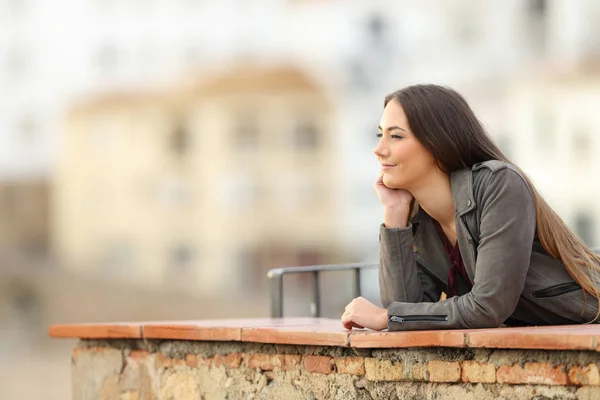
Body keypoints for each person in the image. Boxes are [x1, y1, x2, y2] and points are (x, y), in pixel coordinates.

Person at [341, 84, 600, 331]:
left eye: (395, 136)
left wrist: (387, 317)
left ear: (437, 144)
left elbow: (488, 306)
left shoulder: (497, 183)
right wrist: (395, 215)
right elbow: (406, 308)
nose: (378, 149)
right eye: (380, 135)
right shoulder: (421, 220)